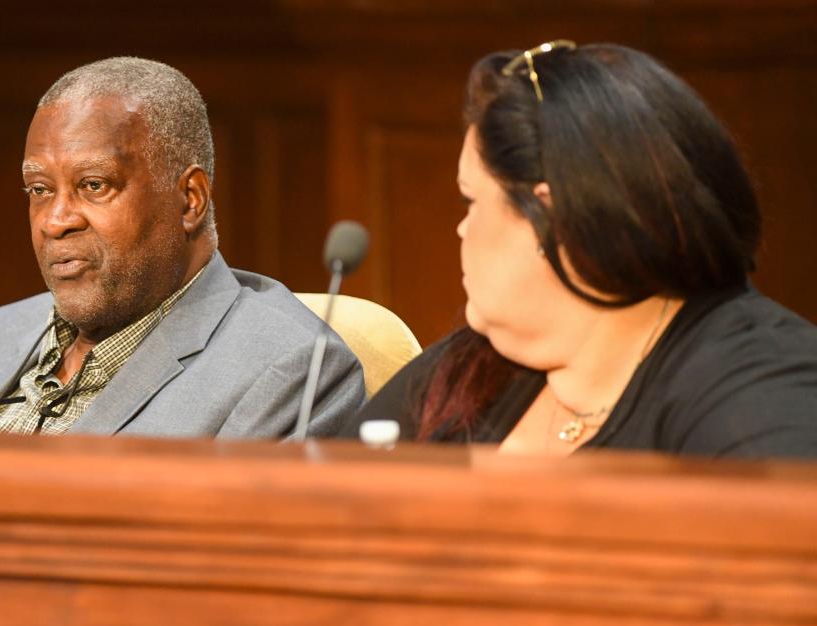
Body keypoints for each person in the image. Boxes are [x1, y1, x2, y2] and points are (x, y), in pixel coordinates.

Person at [349, 41, 817, 457]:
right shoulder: (475, 364)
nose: (461, 229)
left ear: (550, 218)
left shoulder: (760, 388)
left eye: (471, 200)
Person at [0, 57, 364, 438]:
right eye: (39, 190)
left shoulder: (288, 369)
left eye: (93, 185)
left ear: (190, 200)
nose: (56, 220)